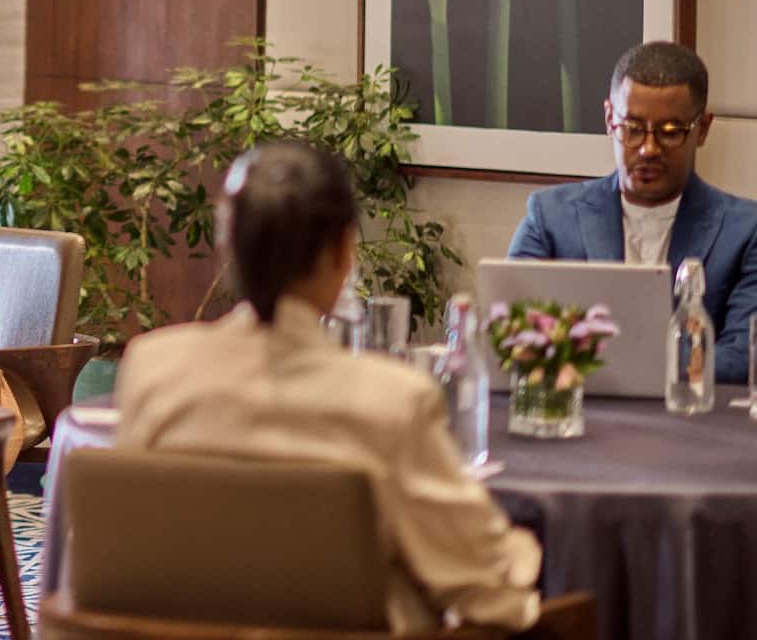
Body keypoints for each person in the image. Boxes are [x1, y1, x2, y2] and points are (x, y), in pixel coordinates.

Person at [116, 141, 541, 632]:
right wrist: (523, 555)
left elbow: (130, 558)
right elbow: (489, 590)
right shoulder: (391, 403)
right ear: (343, 253)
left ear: (227, 247)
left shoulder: (153, 368)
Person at [509, 42, 757, 383]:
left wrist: (596, 357)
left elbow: (744, 357)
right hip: (578, 421)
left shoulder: (745, 230)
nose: (648, 148)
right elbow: (514, 333)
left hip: (690, 425)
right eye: (633, 129)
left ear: (702, 130)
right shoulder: (550, 217)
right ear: (610, 118)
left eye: (670, 133)